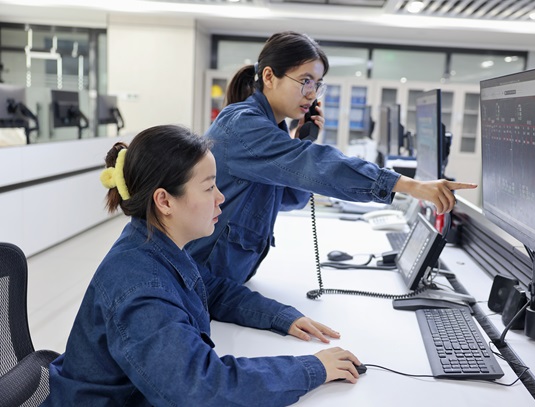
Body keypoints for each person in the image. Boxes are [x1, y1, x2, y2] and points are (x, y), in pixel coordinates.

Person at [43, 125, 362, 406]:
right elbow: (201, 389)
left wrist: (281, 317)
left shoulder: (153, 243)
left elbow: (211, 290)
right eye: (209, 187)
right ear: (165, 201)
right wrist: (312, 368)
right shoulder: (141, 288)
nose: (221, 198)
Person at [185, 31, 477, 284]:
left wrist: (302, 141)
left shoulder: (270, 129)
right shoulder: (244, 125)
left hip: (223, 280)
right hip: (201, 282)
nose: (312, 94)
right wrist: (410, 186)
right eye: (305, 81)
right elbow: (320, 165)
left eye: (317, 84)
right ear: (270, 77)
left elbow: (290, 199)